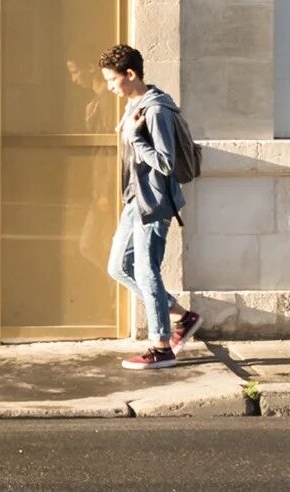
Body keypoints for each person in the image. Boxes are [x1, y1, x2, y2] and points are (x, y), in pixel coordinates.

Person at [100, 43, 198, 367]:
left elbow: (166, 163)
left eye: (113, 80)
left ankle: (160, 346)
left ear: (130, 74)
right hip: (135, 199)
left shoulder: (156, 110)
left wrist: (137, 138)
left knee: (146, 270)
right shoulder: (134, 106)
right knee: (118, 267)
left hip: (154, 201)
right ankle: (183, 317)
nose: (109, 87)